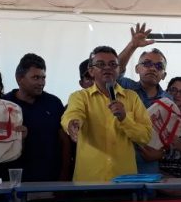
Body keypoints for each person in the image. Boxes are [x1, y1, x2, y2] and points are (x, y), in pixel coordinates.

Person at [63, 46, 152, 181]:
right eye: (100, 64)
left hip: (125, 180)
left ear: (118, 69)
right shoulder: (79, 97)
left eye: (112, 64)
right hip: (89, 180)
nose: (107, 68)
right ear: (91, 71)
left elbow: (145, 136)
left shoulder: (132, 97)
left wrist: (124, 118)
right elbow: (73, 114)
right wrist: (73, 123)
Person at [4, 53, 71, 182]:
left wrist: (65, 174)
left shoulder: (54, 103)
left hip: (50, 180)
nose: (41, 83)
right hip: (13, 180)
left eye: (43, 78)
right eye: (35, 78)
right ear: (19, 78)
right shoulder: (4, 104)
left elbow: (64, 140)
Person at [116, 23, 171, 174]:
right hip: (119, 166)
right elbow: (115, 71)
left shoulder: (169, 101)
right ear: (137, 68)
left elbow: (173, 136)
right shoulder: (125, 87)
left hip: (149, 169)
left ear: (164, 75)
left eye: (159, 66)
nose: (152, 68)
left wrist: (162, 154)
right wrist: (132, 46)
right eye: (147, 63)